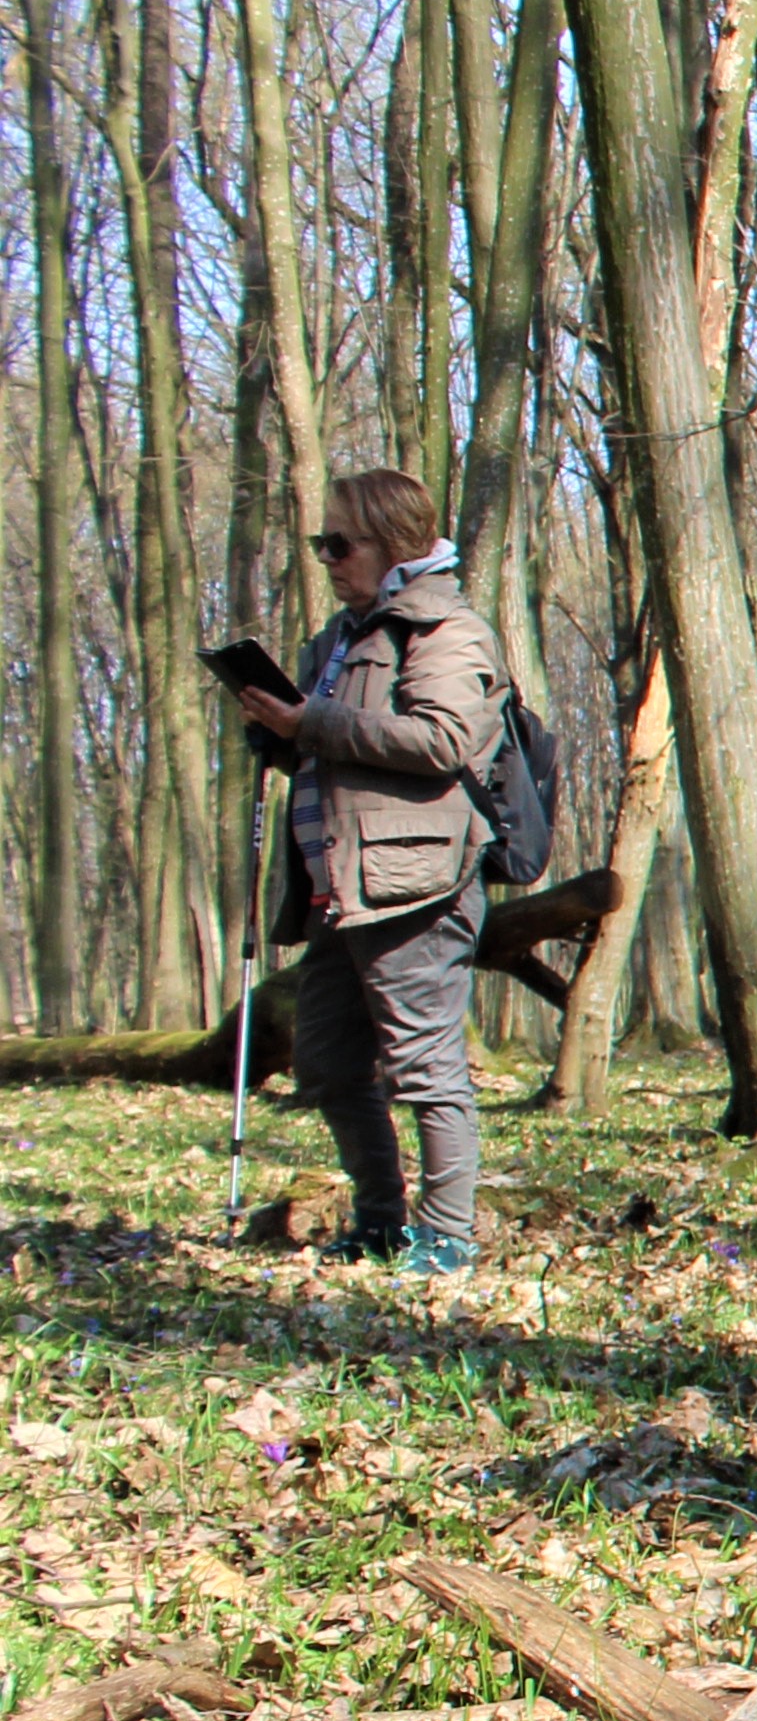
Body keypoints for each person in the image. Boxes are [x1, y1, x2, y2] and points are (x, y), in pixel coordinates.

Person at [228, 468, 510, 1278]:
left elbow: (441, 740)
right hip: (338, 887)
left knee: (425, 1065)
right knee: (325, 1059)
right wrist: (280, 732)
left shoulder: (446, 630)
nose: (326, 557)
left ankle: (448, 1234)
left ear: (393, 543)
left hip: (415, 883)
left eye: (339, 543)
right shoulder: (341, 636)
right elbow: (335, 744)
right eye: (321, 543)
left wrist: (311, 721)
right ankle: (380, 1222)